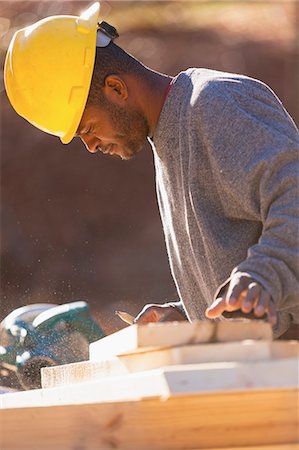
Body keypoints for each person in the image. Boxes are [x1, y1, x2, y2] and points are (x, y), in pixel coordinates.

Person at [4, 3, 299, 338]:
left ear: (116, 89)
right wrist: (188, 315)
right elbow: (240, 272)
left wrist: (264, 275)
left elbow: (294, 193)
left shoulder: (214, 104)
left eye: (87, 129)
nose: (90, 146)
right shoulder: (170, 138)